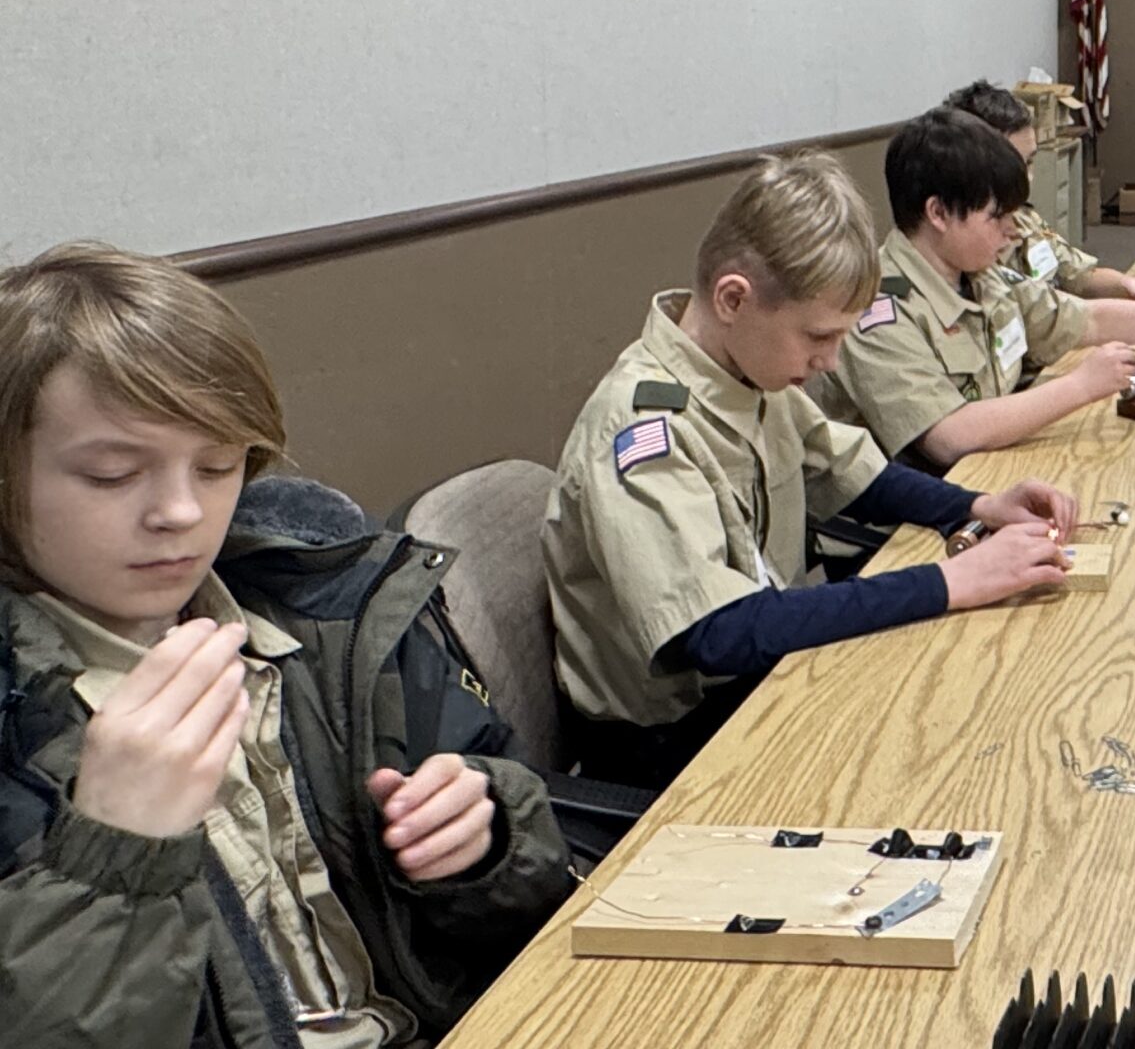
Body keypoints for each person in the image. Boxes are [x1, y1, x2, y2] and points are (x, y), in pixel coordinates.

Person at [0, 242, 574, 1047]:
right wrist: (112, 858)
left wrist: (487, 838)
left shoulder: (327, 615)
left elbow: (533, 860)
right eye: (110, 475)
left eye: (217, 465)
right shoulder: (20, 715)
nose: (180, 512)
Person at [544, 152, 1079, 788]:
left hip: (753, 679)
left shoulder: (748, 372)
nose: (829, 361)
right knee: (947, 763)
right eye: (817, 337)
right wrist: (949, 582)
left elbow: (852, 471)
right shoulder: (640, 430)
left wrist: (972, 507)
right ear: (734, 299)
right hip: (670, 748)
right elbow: (717, 634)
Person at [818, 109, 1135, 470]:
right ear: (938, 213)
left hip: (993, 474)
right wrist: (1082, 385)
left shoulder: (976, 275)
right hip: (907, 529)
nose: (1013, 232)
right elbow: (948, 438)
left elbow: (1090, 317)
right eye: (997, 216)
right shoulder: (878, 307)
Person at [941, 80, 1135, 304]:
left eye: (1030, 162)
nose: (1027, 177)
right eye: (1016, 166)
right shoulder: (964, 247)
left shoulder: (1025, 219)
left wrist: (1128, 286)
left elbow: (1078, 275)